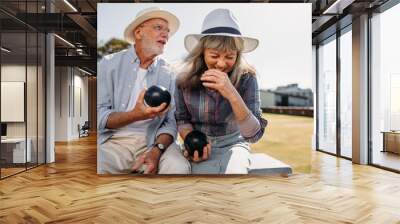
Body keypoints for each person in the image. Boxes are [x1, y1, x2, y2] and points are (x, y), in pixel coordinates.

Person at [97, 7, 190, 174]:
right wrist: (135, 115)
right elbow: (99, 114)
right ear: (139, 33)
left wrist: (156, 151)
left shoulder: (170, 73)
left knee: (178, 168)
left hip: (155, 141)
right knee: (99, 165)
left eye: (167, 31)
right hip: (115, 141)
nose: (165, 34)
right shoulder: (108, 65)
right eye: (158, 28)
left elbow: (171, 122)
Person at [175, 8, 268, 174]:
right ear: (202, 52)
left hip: (234, 144)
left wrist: (232, 93)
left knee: (236, 173)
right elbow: (182, 119)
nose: (221, 64)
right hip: (199, 141)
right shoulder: (183, 79)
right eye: (214, 55)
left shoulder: (248, 78)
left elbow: (253, 135)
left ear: (237, 55)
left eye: (230, 56)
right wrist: (191, 140)